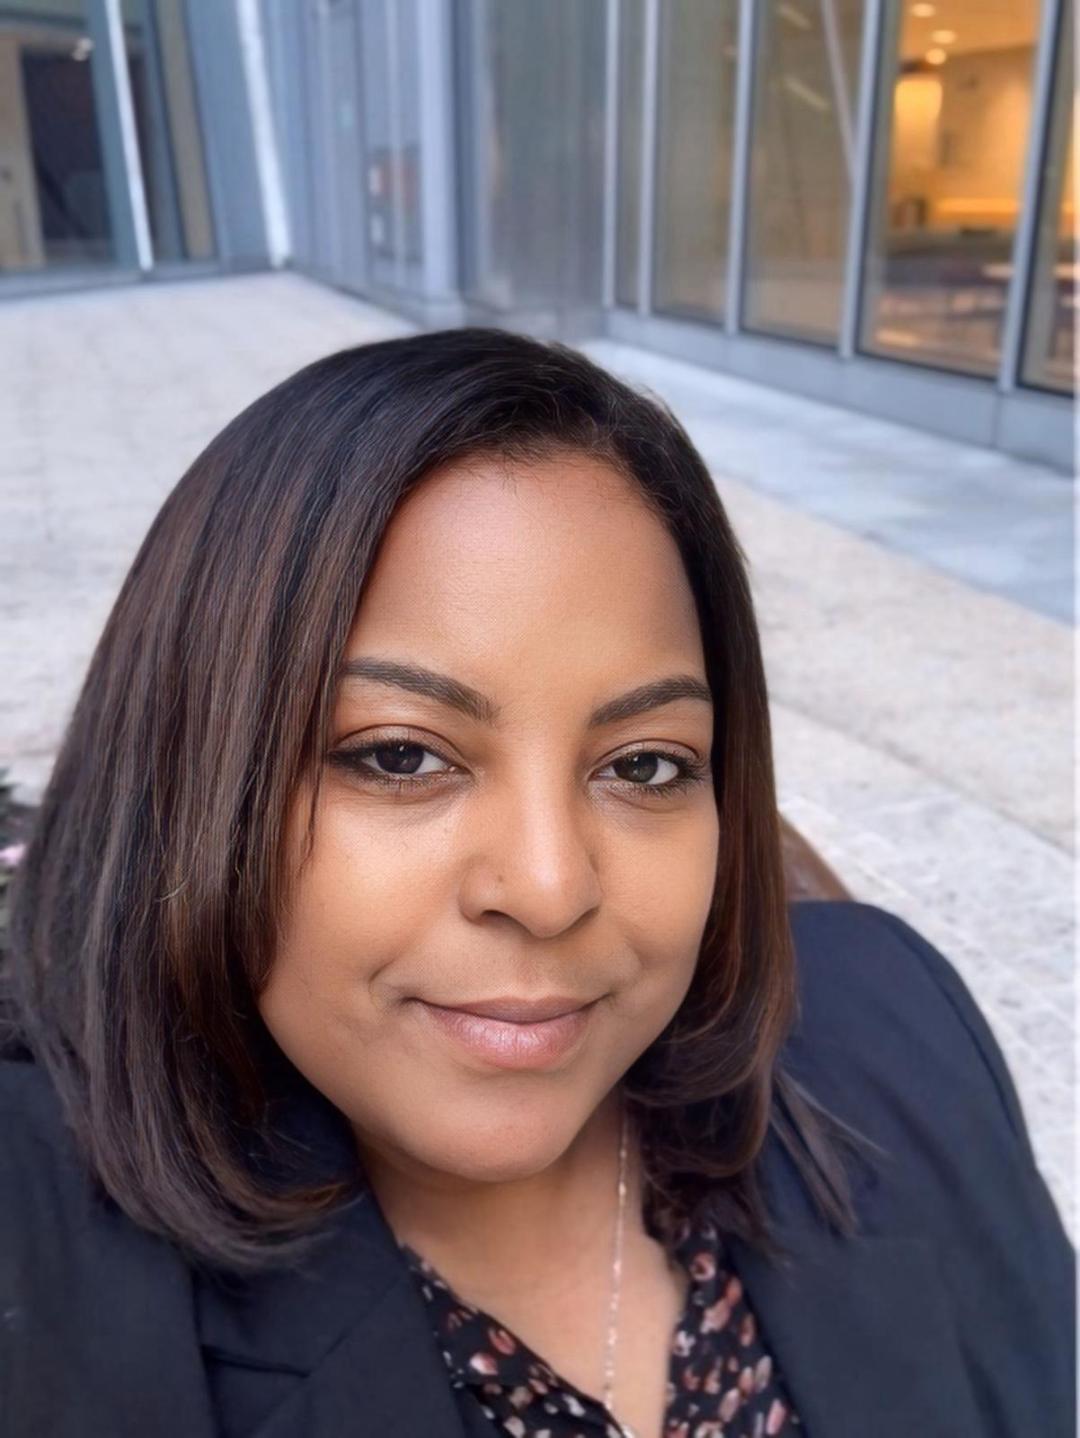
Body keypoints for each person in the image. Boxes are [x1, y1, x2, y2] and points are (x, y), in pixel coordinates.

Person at [0, 328, 1072, 1438]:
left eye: (643, 765)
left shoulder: (900, 1030)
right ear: (189, 776)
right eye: (400, 755)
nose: (552, 888)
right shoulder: (46, 1256)